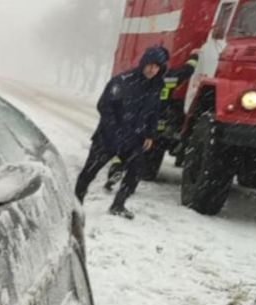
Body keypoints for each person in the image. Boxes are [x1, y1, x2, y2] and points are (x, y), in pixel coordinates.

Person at [74, 46, 170, 219]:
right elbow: (104, 105)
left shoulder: (156, 87)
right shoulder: (123, 81)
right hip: (108, 137)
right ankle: (75, 203)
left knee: (135, 171)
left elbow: (154, 112)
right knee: (90, 171)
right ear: (143, 63)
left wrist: (150, 134)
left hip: (136, 138)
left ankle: (119, 204)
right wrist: (114, 130)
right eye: (150, 65)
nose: (152, 70)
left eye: (157, 67)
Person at [104, 51, 200, 191]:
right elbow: (187, 71)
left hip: (138, 121)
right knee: (147, 155)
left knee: (124, 150)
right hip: (157, 124)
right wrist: (194, 57)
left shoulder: (144, 79)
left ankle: (117, 168)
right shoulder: (170, 78)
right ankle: (140, 175)